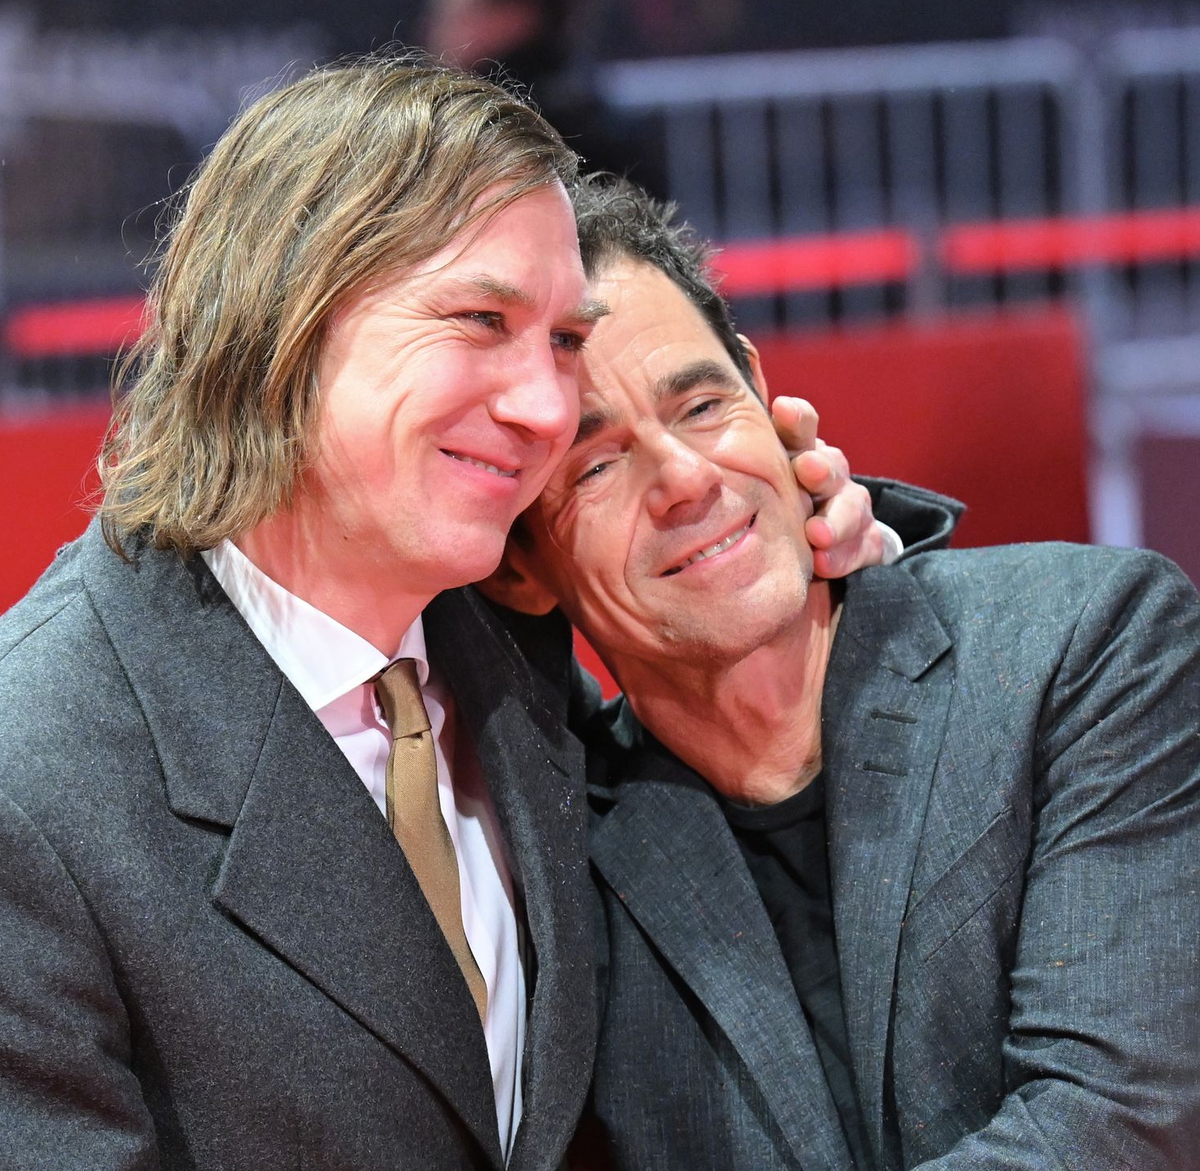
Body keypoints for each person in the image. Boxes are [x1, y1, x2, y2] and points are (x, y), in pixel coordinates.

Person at [0, 58, 914, 1169]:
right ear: (284, 317)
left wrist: (834, 579)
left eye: (564, 343)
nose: (543, 408)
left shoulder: (508, 648)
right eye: (481, 320)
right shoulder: (33, 775)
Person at [483, 176, 1200, 1170]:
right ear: (518, 562)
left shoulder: (1081, 644)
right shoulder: (554, 861)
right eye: (595, 467)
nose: (687, 479)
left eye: (701, 404)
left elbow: (1116, 1129)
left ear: (766, 396)